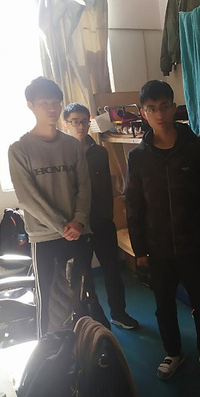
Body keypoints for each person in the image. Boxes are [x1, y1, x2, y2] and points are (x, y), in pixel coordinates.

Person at [126, 80, 200, 380]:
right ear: (143, 112)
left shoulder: (197, 149)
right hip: (158, 247)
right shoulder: (138, 157)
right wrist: (140, 250)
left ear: (174, 107)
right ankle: (173, 352)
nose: (159, 114)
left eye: (164, 107)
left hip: (193, 242)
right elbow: (133, 205)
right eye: (152, 109)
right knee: (163, 305)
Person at [9, 76, 97, 337]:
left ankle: (82, 350)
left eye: (56, 103)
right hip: (45, 237)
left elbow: (84, 186)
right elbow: (27, 197)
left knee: (81, 295)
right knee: (47, 300)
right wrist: (62, 226)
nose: (51, 109)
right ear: (31, 105)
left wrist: (78, 221)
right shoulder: (19, 149)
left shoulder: (72, 145)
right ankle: (47, 353)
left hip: (78, 232)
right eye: (44, 103)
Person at [62, 102, 139, 330]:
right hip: (77, 226)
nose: (80, 126)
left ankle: (119, 313)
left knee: (112, 271)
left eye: (84, 122)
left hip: (102, 222)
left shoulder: (100, 153)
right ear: (65, 124)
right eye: (75, 122)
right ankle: (92, 320)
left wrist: (107, 216)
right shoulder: (62, 155)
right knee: (83, 275)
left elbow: (106, 188)